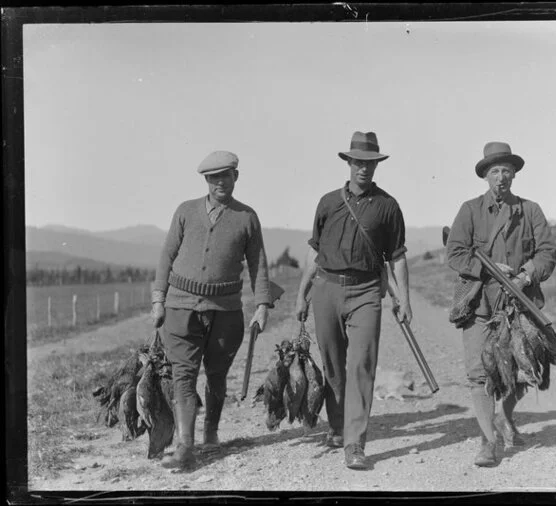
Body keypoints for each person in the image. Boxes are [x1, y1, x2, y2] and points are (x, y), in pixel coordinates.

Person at [295, 131, 412, 470]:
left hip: (365, 293)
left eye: (370, 163)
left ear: (377, 165)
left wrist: (404, 300)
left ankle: (354, 443)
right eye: (359, 162)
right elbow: (315, 252)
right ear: (349, 163)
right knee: (332, 364)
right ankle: (336, 425)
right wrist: (302, 293)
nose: (364, 168)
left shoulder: (388, 207)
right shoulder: (328, 202)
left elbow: (398, 257)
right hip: (326, 288)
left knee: (361, 364)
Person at [150, 150, 272, 470]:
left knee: (216, 376)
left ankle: (211, 430)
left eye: (226, 175)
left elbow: (259, 264)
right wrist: (158, 299)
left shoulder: (247, 217)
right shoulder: (186, 211)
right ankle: (185, 446)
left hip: (226, 311)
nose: (220, 182)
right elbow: (167, 255)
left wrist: (262, 305)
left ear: (236, 177)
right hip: (180, 306)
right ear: (206, 180)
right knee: (184, 376)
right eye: (214, 177)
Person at [446, 141, 556, 467]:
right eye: (494, 171)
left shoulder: (530, 210)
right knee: (480, 375)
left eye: (506, 170)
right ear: (485, 176)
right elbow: (454, 252)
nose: (501, 177)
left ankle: (503, 417)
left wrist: (525, 275)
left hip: (520, 306)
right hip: (481, 306)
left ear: (514, 174)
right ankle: (488, 442)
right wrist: (488, 268)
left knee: (522, 373)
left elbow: (547, 252)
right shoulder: (470, 210)